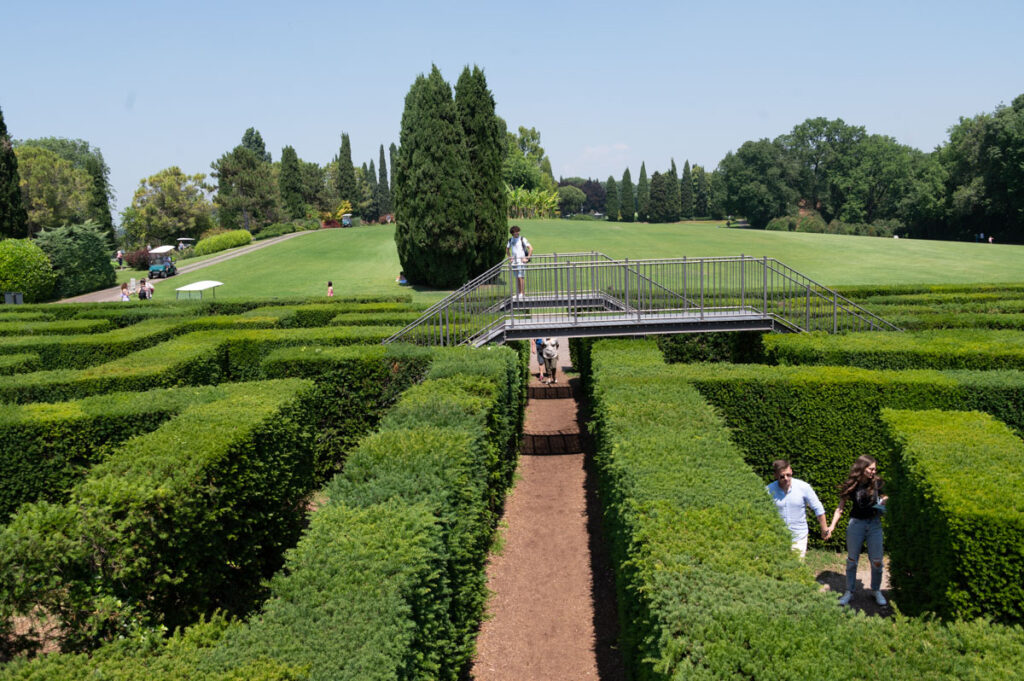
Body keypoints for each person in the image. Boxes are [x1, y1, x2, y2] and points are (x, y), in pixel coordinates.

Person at [828, 455, 888, 607]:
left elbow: (885, 496)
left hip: (874, 524)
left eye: (875, 469)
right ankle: (850, 591)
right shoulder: (852, 485)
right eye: (871, 469)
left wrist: (884, 501)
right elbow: (840, 508)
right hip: (856, 525)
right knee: (852, 561)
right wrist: (832, 526)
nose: (874, 472)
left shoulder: (878, 482)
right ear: (862, 468)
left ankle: (876, 590)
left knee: (877, 562)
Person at [765, 460, 830, 559]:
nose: (786, 478)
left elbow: (818, 508)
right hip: (777, 537)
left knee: (795, 570)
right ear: (775, 475)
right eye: (782, 476)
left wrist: (824, 529)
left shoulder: (803, 487)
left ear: (791, 471)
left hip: (799, 536)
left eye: (788, 475)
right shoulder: (769, 490)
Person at [505, 225, 532, 299]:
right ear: (512, 233)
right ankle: (519, 293)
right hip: (514, 262)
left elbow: (531, 248)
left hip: (521, 262)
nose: (517, 233)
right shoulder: (510, 240)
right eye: (515, 232)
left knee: (521, 277)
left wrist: (527, 258)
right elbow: (507, 249)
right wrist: (510, 258)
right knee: (517, 277)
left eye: (518, 231)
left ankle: (522, 293)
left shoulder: (522, 239)